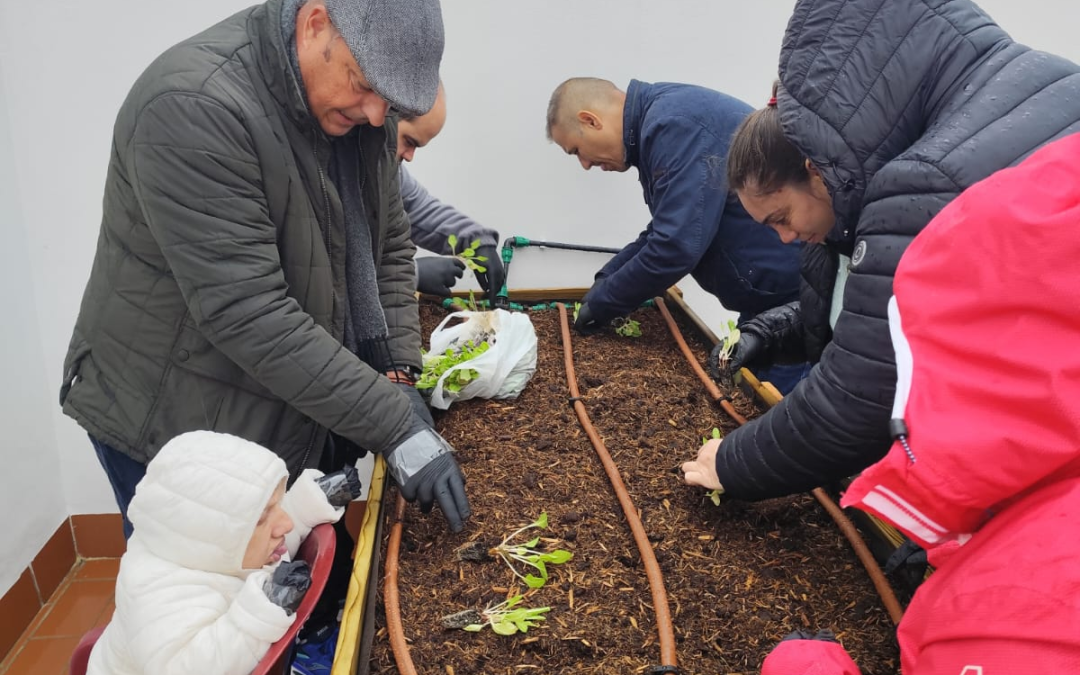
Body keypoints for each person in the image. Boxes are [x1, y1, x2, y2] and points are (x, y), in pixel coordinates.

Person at [59, 0, 470, 536]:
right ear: (315, 23)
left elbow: (387, 247)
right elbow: (250, 314)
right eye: (364, 84)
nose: (376, 115)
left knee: (299, 589)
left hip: (279, 398)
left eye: (388, 102)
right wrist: (395, 424)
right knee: (212, 601)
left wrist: (397, 375)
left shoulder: (359, 108)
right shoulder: (193, 106)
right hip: (180, 420)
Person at [681, 0, 1080, 501]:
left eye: (780, 218)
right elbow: (864, 312)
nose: (783, 237)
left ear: (813, 168)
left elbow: (861, 395)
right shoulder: (1024, 88)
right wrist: (768, 330)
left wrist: (733, 461)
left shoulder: (919, 185)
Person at [762, 131, 1080, 674]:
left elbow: (850, 389)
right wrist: (962, 541)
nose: (786, 236)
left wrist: (802, 665)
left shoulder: (1012, 617)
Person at [545, 77, 806, 393]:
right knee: (749, 398)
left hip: (796, 306)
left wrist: (603, 303)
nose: (585, 164)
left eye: (576, 151)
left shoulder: (675, 126)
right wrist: (605, 281)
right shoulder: (660, 124)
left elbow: (676, 245)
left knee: (779, 419)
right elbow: (663, 231)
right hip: (772, 305)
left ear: (591, 120)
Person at [88, 431, 362, 675]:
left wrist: (307, 504)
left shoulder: (222, 549)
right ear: (210, 533)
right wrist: (260, 614)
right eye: (262, 517)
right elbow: (190, 666)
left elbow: (263, 548)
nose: (286, 524)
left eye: (278, 505)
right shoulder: (157, 596)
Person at [394, 84, 505, 298]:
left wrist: (477, 243)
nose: (409, 156)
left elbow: (418, 208)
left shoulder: (387, 169)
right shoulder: (334, 167)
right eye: (409, 141)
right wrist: (412, 274)